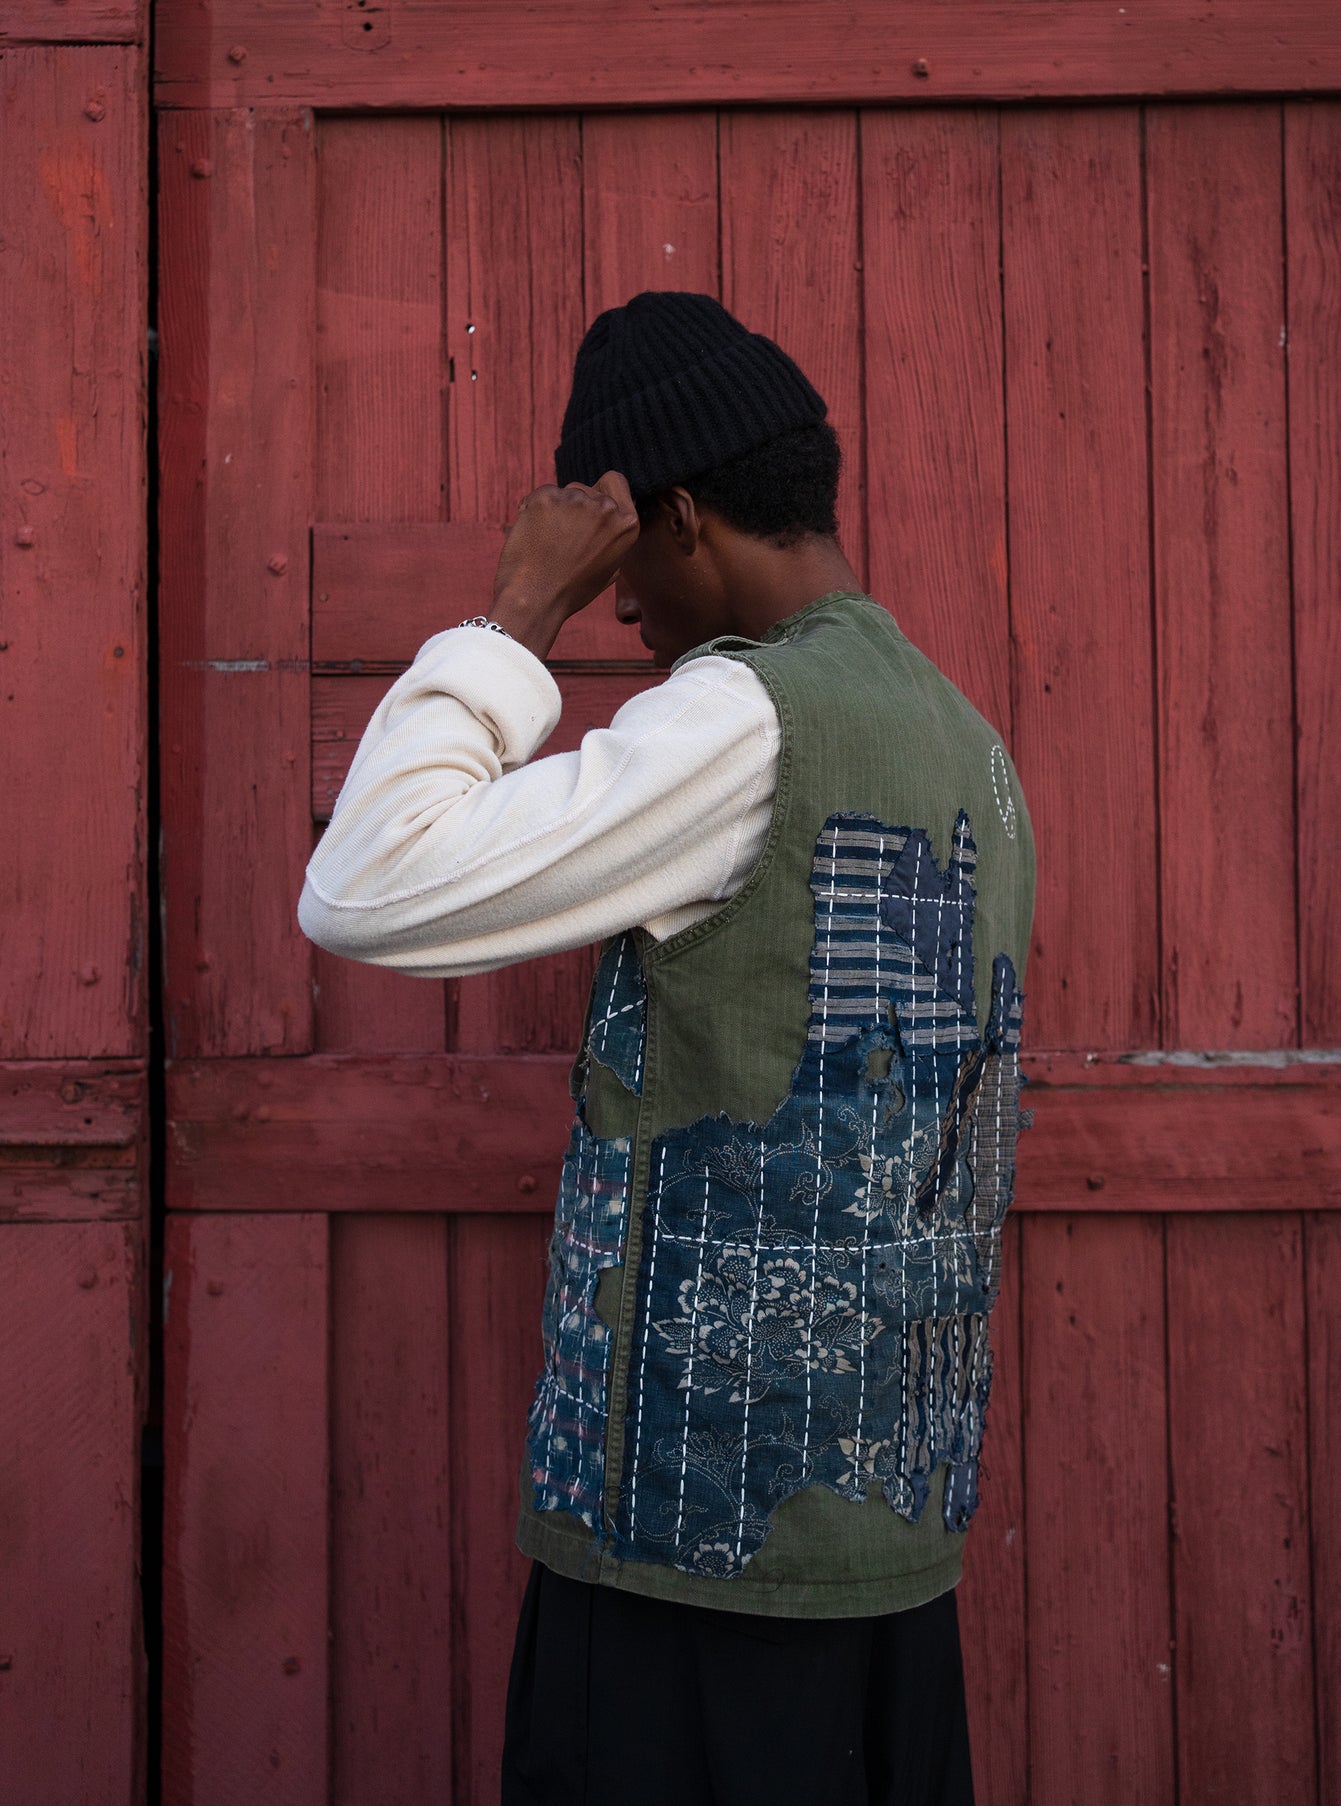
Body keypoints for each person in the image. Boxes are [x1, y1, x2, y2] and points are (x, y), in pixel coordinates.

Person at [298, 290, 1036, 1806]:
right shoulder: (962, 737)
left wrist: (512, 620)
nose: (621, 612)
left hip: (695, 1568)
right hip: (881, 1539)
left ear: (681, 518)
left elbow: (364, 884)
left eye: (622, 565)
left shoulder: (740, 722)